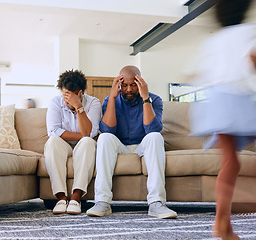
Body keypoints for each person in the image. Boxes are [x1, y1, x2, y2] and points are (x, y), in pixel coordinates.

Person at [188, 0, 256, 239]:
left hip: (215, 100)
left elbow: (202, 72)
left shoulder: (215, 39)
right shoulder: (250, 30)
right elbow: (253, 59)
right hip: (235, 98)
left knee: (231, 163)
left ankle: (223, 225)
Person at [86, 65, 177, 219]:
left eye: (133, 85)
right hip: (120, 146)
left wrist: (145, 98)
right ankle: (102, 202)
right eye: (125, 85)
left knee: (155, 137)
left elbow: (152, 129)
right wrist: (113, 98)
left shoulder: (153, 99)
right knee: (104, 138)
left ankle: (156, 203)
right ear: (119, 84)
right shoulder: (110, 99)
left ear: (140, 83)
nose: (129, 89)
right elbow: (108, 129)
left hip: (143, 146)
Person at [45, 69, 102, 215]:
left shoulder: (93, 103)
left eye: (71, 95)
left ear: (80, 92)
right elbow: (54, 131)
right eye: (65, 94)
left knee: (88, 143)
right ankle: (61, 198)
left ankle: (76, 198)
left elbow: (90, 133)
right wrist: (83, 136)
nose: (67, 99)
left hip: (83, 146)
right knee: (52, 142)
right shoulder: (55, 102)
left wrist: (79, 107)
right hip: (64, 145)